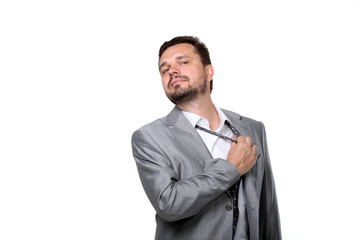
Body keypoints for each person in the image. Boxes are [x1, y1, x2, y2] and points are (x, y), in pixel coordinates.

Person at [131, 36, 281, 240]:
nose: (172, 70)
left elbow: (267, 206)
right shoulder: (149, 137)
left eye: (183, 62)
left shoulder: (252, 128)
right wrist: (231, 169)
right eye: (164, 69)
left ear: (208, 71)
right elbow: (169, 203)